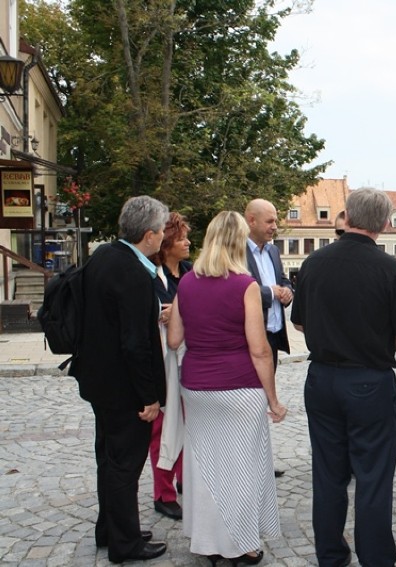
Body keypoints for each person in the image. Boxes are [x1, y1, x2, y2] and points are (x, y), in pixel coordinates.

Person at [291, 188, 396, 567]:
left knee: (328, 473)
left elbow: (298, 320)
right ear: (384, 224)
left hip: (322, 379)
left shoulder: (314, 262)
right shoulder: (390, 268)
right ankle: (377, 558)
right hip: (369, 381)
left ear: (346, 217)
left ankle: (330, 555)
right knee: (373, 476)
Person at [168, 211, 286, 565]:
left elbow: (174, 338)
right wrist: (274, 399)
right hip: (239, 388)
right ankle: (242, 545)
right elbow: (260, 348)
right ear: (238, 243)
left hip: (198, 387)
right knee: (243, 467)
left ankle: (207, 541)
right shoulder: (245, 285)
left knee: (204, 466)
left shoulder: (186, 282)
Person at [70, 195, 169, 563]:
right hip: (124, 389)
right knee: (125, 467)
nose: (162, 237)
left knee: (109, 461)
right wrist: (149, 397)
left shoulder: (105, 256)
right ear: (148, 234)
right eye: (160, 231)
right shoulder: (133, 273)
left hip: (100, 382)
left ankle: (111, 529)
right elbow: (134, 343)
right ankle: (125, 545)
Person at [245, 199, 294, 478]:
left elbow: (283, 280)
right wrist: (270, 293)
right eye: (269, 221)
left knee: (263, 401)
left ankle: (260, 461)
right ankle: (248, 462)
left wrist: (287, 292)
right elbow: (239, 289)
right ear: (251, 220)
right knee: (250, 401)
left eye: (275, 221)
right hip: (251, 338)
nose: (274, 226)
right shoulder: (237, 250)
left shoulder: (273, 251)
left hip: (273, 336)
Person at [148, 212, 192, 521]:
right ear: (166, 245)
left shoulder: (190, 272)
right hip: (162, 363)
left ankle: (184, 478)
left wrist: (176, 309)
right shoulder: (152, 275)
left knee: (188, 423)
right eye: (182, 238)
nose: (188, 242)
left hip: (188, 361)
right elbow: (155, 314)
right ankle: (162, 493)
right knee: (162, 428)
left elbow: (184, 309)